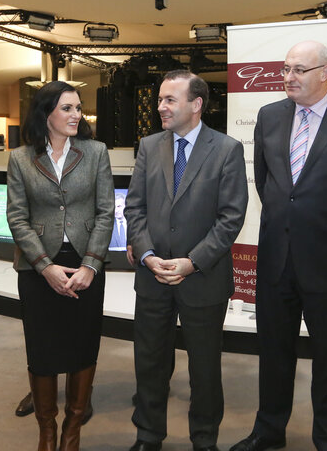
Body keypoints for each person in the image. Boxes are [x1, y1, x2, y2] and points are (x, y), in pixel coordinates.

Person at [231, 41, 327, 451]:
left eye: (299, 69)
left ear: (326, 72)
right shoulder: (269, 116)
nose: (288, 77)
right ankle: (269, 432)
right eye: (285, 69)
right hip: (276, 258)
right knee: (273, 354)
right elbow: (268, 183)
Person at [124, 70, 248, 451]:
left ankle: (204, 439)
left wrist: (191, 262)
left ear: (196, 105)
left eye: (169, 100)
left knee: (205, 368)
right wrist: (146, 255)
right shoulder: (148, 146)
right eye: (160, 99)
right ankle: (148, 436)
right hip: (152, 277)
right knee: (150, 363)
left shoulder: (226, 149)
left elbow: (231, 218)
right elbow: (135, 208)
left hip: (202, 279)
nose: (160, 106)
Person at [6, 80, 113, 451]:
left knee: (83, 346)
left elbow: (105, 213)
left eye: (78, 108)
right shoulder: (21, 158)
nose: (76, 115)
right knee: (42, 348)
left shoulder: (96, 152)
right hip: (39, 268)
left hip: (85, 265)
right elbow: (17, 218)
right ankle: (47, 430)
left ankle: (72, 430)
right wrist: (45, 267)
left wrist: (91, 265)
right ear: (46, 112)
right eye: (67, 108)